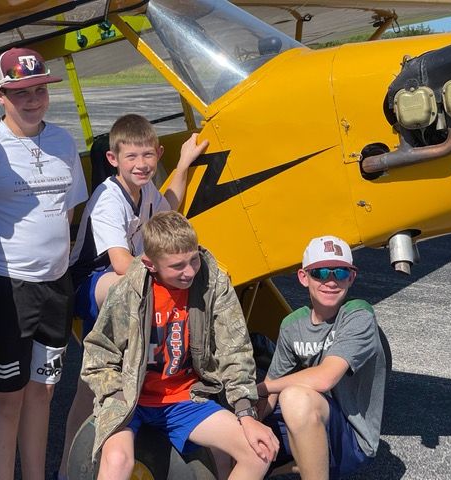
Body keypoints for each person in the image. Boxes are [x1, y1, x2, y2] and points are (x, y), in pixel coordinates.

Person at [57, 115, 208, 479]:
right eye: (131, 158)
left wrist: (184, 163)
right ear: (113, 160)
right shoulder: (109, 198)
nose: (141, 165)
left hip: (126, 285)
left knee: (87, 386)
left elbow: (168, 208)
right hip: (92, 285)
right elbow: (122, 264)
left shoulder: (144, 191)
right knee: (138, 284)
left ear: (157, 154)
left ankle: (152, 367)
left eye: (148, 156)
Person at [0, 47, 88, 480]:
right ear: (0, 95)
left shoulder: (62, 141)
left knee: (44, 393)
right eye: (20, 93)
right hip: (6, 289)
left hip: (56, 287)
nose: (32, 100)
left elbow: (67, 210)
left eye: (39, 90)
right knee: (7, 397)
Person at [81, 211, 279, 480]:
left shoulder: (213, 282)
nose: (189, 272)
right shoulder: (128, 289)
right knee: (117, 462)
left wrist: (246, 413)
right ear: (150, 264)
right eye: (177, 266)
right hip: (132, 400)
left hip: (185, 398)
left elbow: (235, 349)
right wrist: (115, 397)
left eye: (193, 260)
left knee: (258, 452)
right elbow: (98, 352)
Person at [257, 235, 386, 480]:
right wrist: (249, 418)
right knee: (234, 426)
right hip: (309, 418)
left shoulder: (359, 315)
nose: (330, 281)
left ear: (352, 277)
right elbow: (272, 391)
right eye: (320, 272)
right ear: (303, 277)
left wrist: (262, 387)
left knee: (294, 396)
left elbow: (325, 378)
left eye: (339, 273)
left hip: (352, 438)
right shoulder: (293, 324)